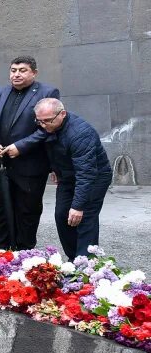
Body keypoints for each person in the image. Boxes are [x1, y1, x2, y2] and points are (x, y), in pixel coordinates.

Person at [0, 56, 60, 250]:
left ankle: (25, 251)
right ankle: (3, 248)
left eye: (22, 70)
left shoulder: (47, 92)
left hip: (29, 164)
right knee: (0, 207)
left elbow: (48, 128)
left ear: (34, 73)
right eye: (13, 70)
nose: (16, 74)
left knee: (27, 210)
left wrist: (21, 146)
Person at [35, 99, 112, 261]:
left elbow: (86, 173)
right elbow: (49, 148)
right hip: (67, 175)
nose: (43, 125)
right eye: (39, 121)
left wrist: (78, 206)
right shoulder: (47, 123)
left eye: (47, 121)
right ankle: (74, 259)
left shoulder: (80, 133)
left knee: (84, 217)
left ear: (62, 114)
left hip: (94, 177)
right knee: (62, 215)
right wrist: (54, 169)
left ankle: (86, 266)